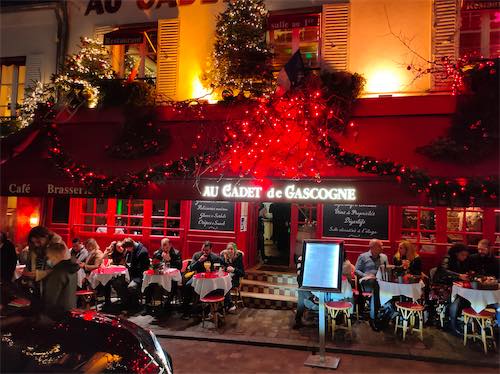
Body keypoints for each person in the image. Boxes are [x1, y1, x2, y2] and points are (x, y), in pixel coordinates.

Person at [355, 239, 388, 330]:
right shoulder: (363, 257)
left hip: (380, 282)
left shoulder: (384, 257)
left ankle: (384, 314)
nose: (382, 248)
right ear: (373, 247)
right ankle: (374, 317)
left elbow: (387, 270)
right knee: (375, 285)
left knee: (378, 286)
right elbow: (356, 270)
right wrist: (366, 275)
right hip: (367, 283)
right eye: (380, 246)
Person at [23, 226, 63, 298]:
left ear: (46, 237)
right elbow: (29, 264)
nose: (36, 244)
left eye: (38, 242)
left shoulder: (56, 247)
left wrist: (39, 274)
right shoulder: (34, 248)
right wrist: (27, 272)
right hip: (36, 288)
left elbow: (59, 269)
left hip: (51, 290)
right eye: (33, 242)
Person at [42, 241, 79, 319]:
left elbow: (51, 298)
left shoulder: (57, 272)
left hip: (58, 313)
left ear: (55, 256)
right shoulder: (71, 268)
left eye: (49, 256)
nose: (48, 259)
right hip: (71, 308)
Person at [121, 238, 150, 309]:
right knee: (117, 282)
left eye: (127, 248)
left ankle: (135, 305)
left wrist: (130, 268)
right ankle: (127, 302)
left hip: (139, 276)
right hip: (130, 274)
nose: (127, 250)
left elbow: (144, 268)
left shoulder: (143, 252)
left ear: (131, 246)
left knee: (131, 287)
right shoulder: (130, 250)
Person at [220, 242, 245, 312]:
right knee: (219, 284)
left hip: (234, 280)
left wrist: (234, 270)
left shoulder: (238, 258)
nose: (230, 251)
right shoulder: (223, 257)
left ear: (235, 250)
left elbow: (243, 273)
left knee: (224, 285)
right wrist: (225, 269)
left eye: (232, 249)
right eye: (228, 249)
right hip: (224, 278)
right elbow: (221, 267)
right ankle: (225, 305)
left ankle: (227, 305)